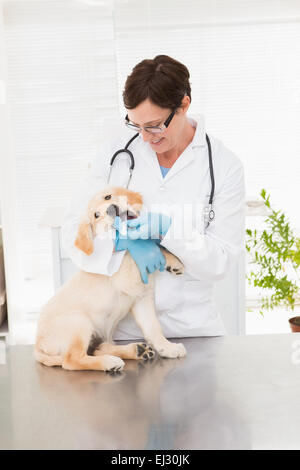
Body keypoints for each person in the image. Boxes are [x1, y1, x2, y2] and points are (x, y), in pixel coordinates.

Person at [61, 55, 245, 340]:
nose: (145, 138)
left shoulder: (223, 165)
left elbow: (221, 263)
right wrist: (120, 243)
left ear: (184, 105)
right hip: (122, 330)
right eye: (136, 126)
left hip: (192, 328)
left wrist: (169, 230)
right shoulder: (114, 155)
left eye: (155, 125)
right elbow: (72, 230)